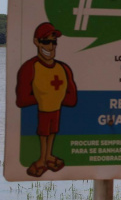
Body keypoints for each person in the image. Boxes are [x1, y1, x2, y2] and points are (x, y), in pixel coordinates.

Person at [16, 22, 78, 178]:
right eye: (46, 42)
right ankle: (42, 158)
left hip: (56, 109)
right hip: (43, 110)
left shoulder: (63, 68)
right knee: (43, 133)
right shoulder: (30, 67)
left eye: (53, 42)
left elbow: (71, 97)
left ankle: (49, 156)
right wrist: (43, 97)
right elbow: (22, 99)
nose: (50, 46)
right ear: (37, 42)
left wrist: (56, 97)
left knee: (53, 131)